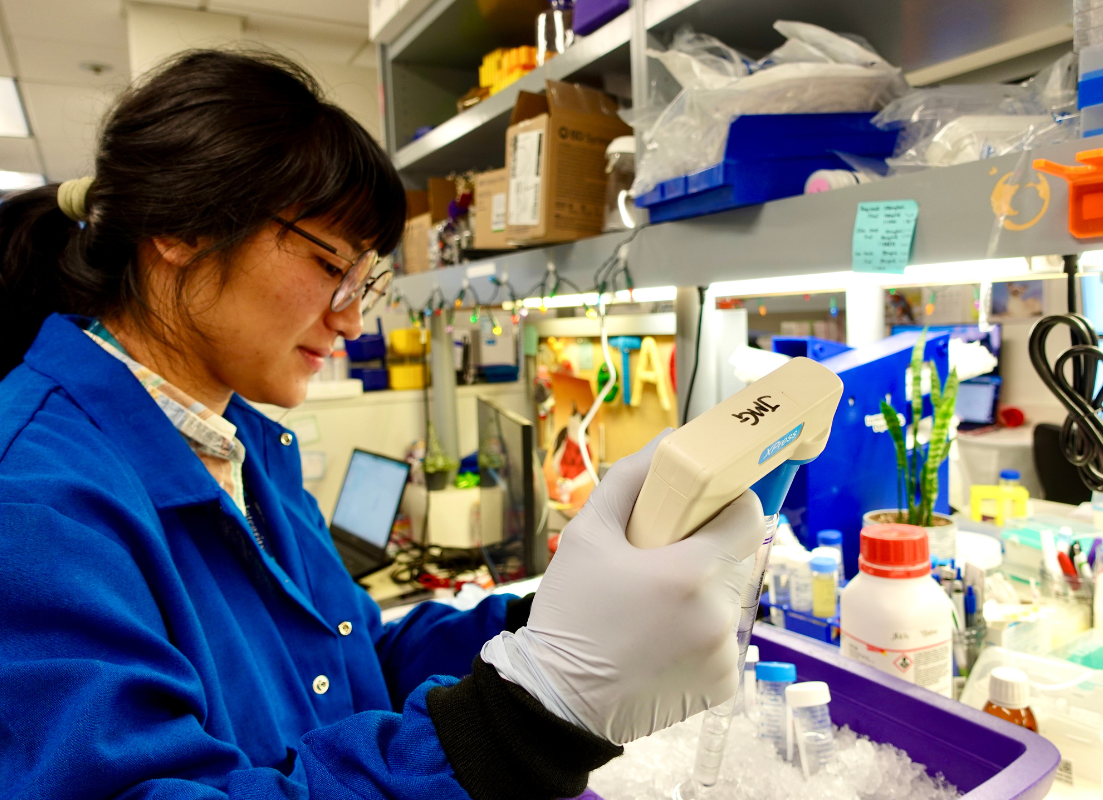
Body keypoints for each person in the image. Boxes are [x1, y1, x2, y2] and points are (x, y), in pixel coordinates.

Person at [0, 50, 765, 798]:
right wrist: (524, 718)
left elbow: (352, 663)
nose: (353, 320)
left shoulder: (237, 443)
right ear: (179, 227)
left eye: (365, 279)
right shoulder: (34, 499)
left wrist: (565, 620)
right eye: (332, 266)